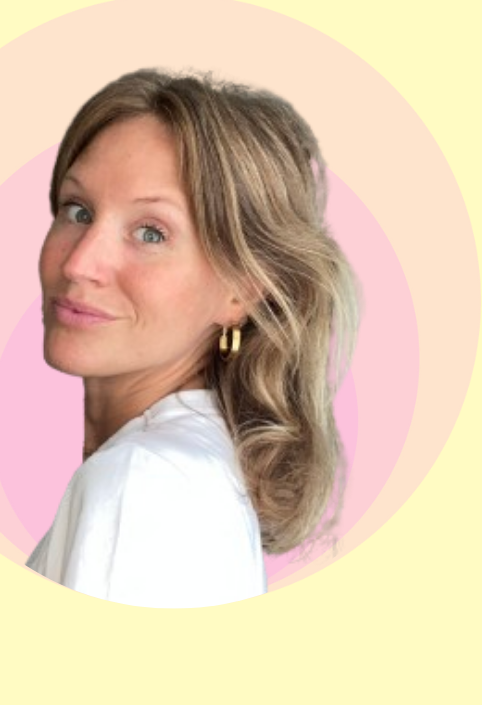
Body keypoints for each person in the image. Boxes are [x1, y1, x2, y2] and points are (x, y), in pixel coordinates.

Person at [26, 68, 361, 608]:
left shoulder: (143, 480)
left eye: (151, 232)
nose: (79, 263)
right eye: (78, 210)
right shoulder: (192, 467)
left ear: (241, 290)